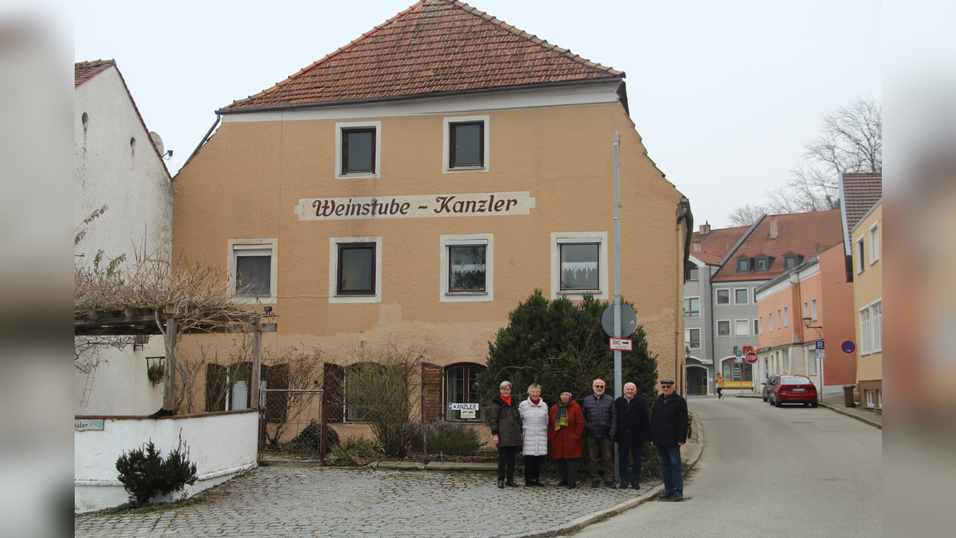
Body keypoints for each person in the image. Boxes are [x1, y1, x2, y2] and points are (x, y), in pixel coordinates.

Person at [649, 378, 688, 502]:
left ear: (673, 387)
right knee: (665, 465)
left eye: (668, 387)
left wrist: (681, 438)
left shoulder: (679, 401)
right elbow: (654, 420)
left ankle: (678, 491)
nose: (666, 389)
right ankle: (669, 489)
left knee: (675, 465)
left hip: (673, 439)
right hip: (660, 438)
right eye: (664, 387)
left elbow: (683, 421)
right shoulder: (659, 401)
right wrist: (653, 438)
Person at [581, 378, 617, 487]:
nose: (599, 388)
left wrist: (612, 431)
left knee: (608, 458)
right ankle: (594, 479)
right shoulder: (587, 400)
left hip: (606, 434)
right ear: (593, 387)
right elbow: (583, 417)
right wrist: (587, 427)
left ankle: (609, 479)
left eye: (602, 386)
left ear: (605, 388)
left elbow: (614, 417)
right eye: (597, 386)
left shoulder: (610, 400)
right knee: (592, 458)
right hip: (591, 434)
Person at [614, 382, 649, 489]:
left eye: (631, 389)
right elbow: (615, 418)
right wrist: (615, 433)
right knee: (622, 458)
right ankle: (624, 480)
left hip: (636, 435)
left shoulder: (640, 402)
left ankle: (635, 480)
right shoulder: (618, 402)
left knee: (637, 458)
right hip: (622, 434)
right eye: (627, 389)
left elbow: (645, 419)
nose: (629, 391)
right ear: (624, 391)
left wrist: (645, 434)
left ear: (635, 391)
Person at [548, 387, 584, 489]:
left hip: (571, 440)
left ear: (570, 396)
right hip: (558, 440)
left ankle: (572, 481)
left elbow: (580, 423)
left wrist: (575, 436)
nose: (564, 397)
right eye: (563, 395)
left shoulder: (575, 407)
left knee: (571, 462)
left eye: (566, 395)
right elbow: (550, 423)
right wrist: (552, 436)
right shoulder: (555, 408)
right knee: (561, 462)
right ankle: (564, 479)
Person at [490, 381, 523, 488]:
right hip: (503, 435)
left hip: (513, 435)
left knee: (512, 459)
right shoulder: (497, 402)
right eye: (504, 389)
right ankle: (500, 479)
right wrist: (495, 434)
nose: (506, 391)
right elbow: (494, 419)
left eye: (508, 389)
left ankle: (510, 479)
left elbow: (517, 417)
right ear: (500, 390)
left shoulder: (513, 401)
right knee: (502, 459)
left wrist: (520, 432)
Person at [518, 383, 549, 487]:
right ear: (529, 393)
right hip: (528, 435)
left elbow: (547, 421)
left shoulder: (544, 405)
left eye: (537, 392)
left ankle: (536, 479)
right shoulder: (523, 405)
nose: (535, 394)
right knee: (529, 459)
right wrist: (521, 433)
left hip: (540, 434)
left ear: (540, 393)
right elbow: (519, 420)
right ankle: (528, 480)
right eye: (533, 392)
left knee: (538, 459)